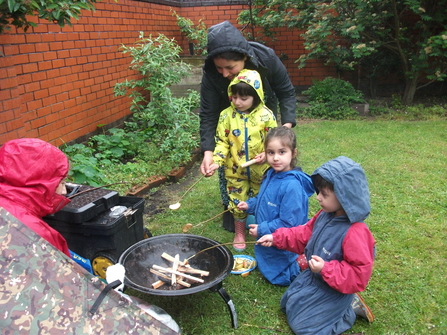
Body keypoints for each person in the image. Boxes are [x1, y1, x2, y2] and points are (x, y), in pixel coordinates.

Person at [257, 156, 376, 334]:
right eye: (318, 192)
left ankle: (348, 311)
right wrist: (276, 238)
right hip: (314, 279)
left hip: (334, 287)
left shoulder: (355, 232)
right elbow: (303, 235)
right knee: (287, 305)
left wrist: (325, 269)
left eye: (324, 194)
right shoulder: (325, 214)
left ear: (344, 197)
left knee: (304, 329)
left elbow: (359, 275)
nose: (318, 198)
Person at [200, 21, 297, 231]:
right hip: (231, 126)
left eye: (230, 67)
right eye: (219, 68)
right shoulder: (211, 74)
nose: (224, 74)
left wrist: (284, 130)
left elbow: (286, 91)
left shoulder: (267, 58)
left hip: (262, 122)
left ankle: (269, 212)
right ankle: (235, 212)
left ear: (244, 57)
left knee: (269, 172)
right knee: (232, 171)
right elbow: (208, 113)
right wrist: (209, 152)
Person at [206, 69, 277, 251]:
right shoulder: (226, 116)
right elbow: (222, 142)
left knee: (262, 201)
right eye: (234, 97)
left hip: (261, 171)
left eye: (243, 99)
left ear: (256, 96)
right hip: (235, 171)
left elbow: (274, 141)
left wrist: (267, 155)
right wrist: (217, 161)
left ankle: (262, 231)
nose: (237, 102)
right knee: (237, 202)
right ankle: (239, 233)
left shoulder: (266, 115)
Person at [236, 127, 314, 286]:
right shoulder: (271, 173)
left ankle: (301, 265)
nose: (275, 158)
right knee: (267, 262)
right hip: (268, 234)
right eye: (271, 152)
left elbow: (289, 224)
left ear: (294, 153)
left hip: (283, 240)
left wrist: (262, 230)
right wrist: (249, 205)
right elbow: (264, 199)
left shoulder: (292, 186)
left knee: (280, 276)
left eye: (282, 152)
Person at [0, 138, 72, 257]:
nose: (64, 192)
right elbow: (67, 274)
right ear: (43, 182)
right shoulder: (37, 234)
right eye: (62, 182)